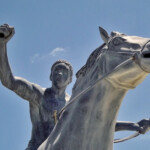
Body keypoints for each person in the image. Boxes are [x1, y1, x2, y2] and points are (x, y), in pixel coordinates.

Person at [0, 24, 149, 150]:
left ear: (70, 79)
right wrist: (2, 45)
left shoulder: (71, 102)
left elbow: (97, 122)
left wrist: (133, 125)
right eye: (56, 70)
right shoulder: (39, 94)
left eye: (64, 72)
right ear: (50, 76)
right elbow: (9, 81)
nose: (59, 73)